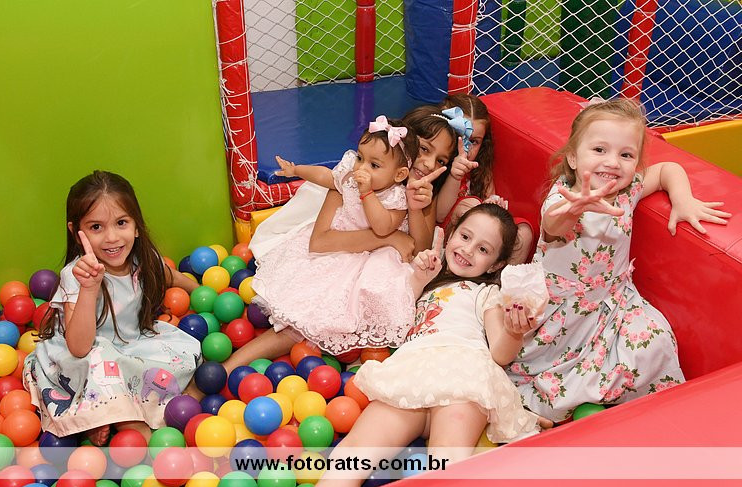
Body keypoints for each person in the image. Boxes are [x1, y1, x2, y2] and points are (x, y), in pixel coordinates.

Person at [298, 205, 550, 487]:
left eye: (483, 249)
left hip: (461, 376)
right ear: (450, 234)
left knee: (446, 465)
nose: (468, 250)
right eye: (465, 236)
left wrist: (513, 331)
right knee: (350, 456)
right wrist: (418, 279)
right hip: (410, 376)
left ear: (495, 264)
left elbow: (499, 353)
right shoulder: (421, 278)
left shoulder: (485, 294)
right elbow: (389, 322)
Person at [506, 98, 731, 423]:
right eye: (599, 150)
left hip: (614, 302)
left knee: (655, 340)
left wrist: (683, 200)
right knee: (547, 378)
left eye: (626, 155)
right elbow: (554, 224)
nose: (612, 162)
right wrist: (576, 208)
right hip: (563, 311)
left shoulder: (629, 189)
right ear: (573, 157)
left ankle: (611, 403)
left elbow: (668, 169)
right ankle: (576, 403)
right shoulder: (563, 197)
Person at [223, 117, 436, 371]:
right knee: (311, 300)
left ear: (399, 174)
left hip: (369, 264)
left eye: (374, 165)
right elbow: (327, 176)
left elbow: (382, 227)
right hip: (336, 254)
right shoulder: (349, 179)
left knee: (358, 304)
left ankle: (347, 352)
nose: (361, 168)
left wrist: (367, 193)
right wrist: (297, 170)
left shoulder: (396, 198)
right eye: (360, 158)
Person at [23, 171, 202, 445]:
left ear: (137, 225)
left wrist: (200, 291)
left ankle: (107, 416)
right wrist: (89, 288)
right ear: (76, 232)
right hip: (85, 355)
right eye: (96, 227)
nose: (112, 237)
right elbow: (79, 347)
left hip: (131, 344)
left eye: (121, 223)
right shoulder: (78, 275)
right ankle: (119, 424)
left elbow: (170, 276)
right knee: (110, 377)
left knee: (187, 368)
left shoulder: (143, 259)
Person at [248, 103, 458, 262]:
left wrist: (415, 209)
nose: (430, 164)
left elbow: (419, 251)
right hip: (336, 256)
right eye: (424, 149)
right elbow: (319, 243)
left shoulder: (421, 194)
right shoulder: (353, 179)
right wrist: (390, 238)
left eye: (441, 161)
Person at [435, 94, 534, 264]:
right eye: (460, 137)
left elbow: (489, 200)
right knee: (471, 205)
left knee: (523, 232)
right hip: (445, 238)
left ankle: (499, 277)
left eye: (474, 141)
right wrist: (454, 176)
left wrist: (494, 206)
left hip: (481, 242)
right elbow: (439, 215)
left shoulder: (480, 169)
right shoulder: (436, 165)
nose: (466, 147)